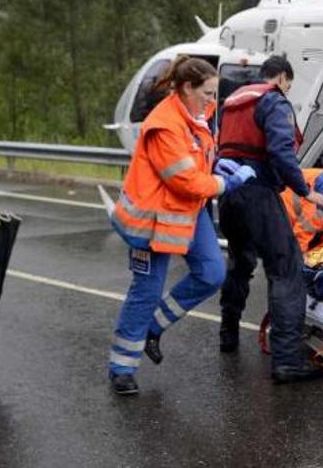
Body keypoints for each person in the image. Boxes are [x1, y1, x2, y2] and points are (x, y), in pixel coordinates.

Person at [107, 56, 254, 395]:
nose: (212, 101)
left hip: (188, 212)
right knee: (145, 292)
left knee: (212, 273)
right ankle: (121, 369)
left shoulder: (197, 116)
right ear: (186, 87)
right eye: (207, 93)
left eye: (215, 94)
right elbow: (187, 180)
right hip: (154, 221)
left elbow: (200, 159)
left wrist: (220, 165)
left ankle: (153, 327)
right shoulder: (164, 125)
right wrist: (225, 183)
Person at [216, 55, 323, 383]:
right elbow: (281, 151)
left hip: (229, 193)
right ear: (281, 78)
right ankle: (287, 361)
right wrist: (303, 190)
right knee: (286, 269)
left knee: (240, 262)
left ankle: (228, 334)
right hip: (258, 194)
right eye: (289, 86)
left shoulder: (233, 102)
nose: (287, 91)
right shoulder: (273, 101)